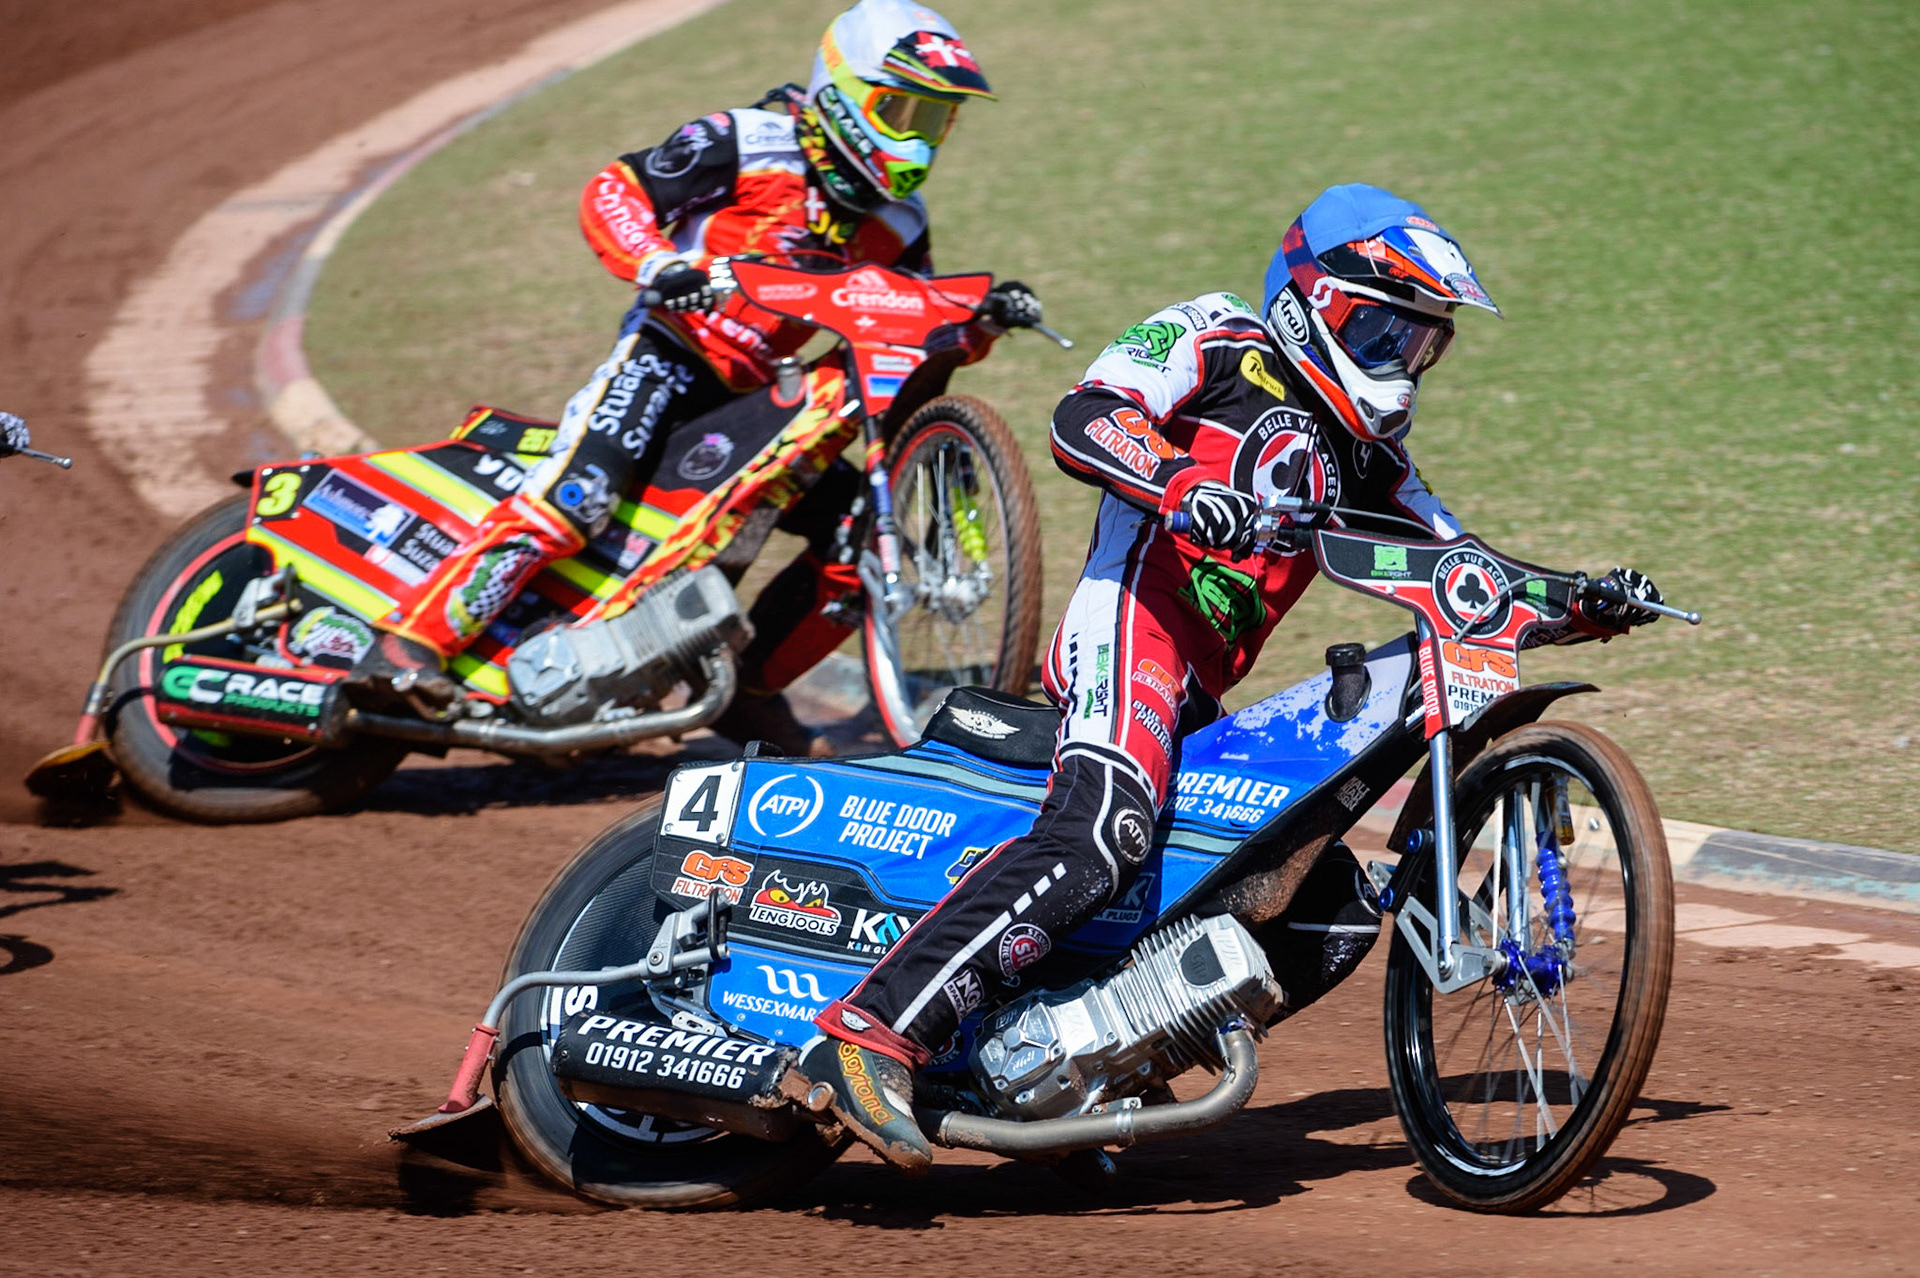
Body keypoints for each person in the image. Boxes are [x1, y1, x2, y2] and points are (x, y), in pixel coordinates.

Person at [796, 183, 1666, 1172]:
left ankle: (1088, 1064)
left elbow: (1463, 572)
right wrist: (1178, 482)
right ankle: (868, 1034)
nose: (1402, 366)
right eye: (1384, 334)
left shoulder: (1374, 460)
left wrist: (1578, 605)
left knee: (1330, 911)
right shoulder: (1215, 335)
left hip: (1203, 693)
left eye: (1422, 346)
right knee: (1103, 833)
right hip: (1130, 626)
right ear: (1313, 303)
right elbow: (1084, 414)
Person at [344, 0, 1041, 756]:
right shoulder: (748, 141)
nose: (918, 137)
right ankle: (410, 640)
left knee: (857, 537)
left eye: (937, 120)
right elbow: (615, 190)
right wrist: (661, 263)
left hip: (761, 397)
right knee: (581, 493)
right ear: (841, 91)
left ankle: (747, 692)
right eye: (903, 109)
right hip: (667, 354)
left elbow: (903, 322)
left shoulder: (902, 221)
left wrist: (975, 319)